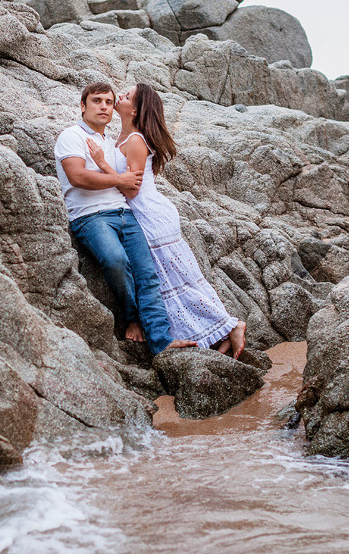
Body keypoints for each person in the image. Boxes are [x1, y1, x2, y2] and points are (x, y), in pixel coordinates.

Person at [85, 82, 247, 357]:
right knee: (170, 280)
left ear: (135, 110)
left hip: (149, 214)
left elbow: (131, 189)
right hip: (141, 212)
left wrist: (101, 163)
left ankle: (229, 324)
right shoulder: (121, 137)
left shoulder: (136, 140)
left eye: (127, 96)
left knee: (174, 279)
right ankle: (217, 329)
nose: (119, 96)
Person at [53, 82, 196, 357]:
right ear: (82, 106)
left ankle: (161, 341)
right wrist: (120, 179)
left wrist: (118, 176)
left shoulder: (112, 142)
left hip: (125, 212)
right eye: (97, 101)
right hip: (89, 216)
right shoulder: (71, 135)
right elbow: (77, 177)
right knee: (116, 261)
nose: (104, 107)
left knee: (147, 274)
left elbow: (134, 182)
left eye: (109, 102)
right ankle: (132, 317)